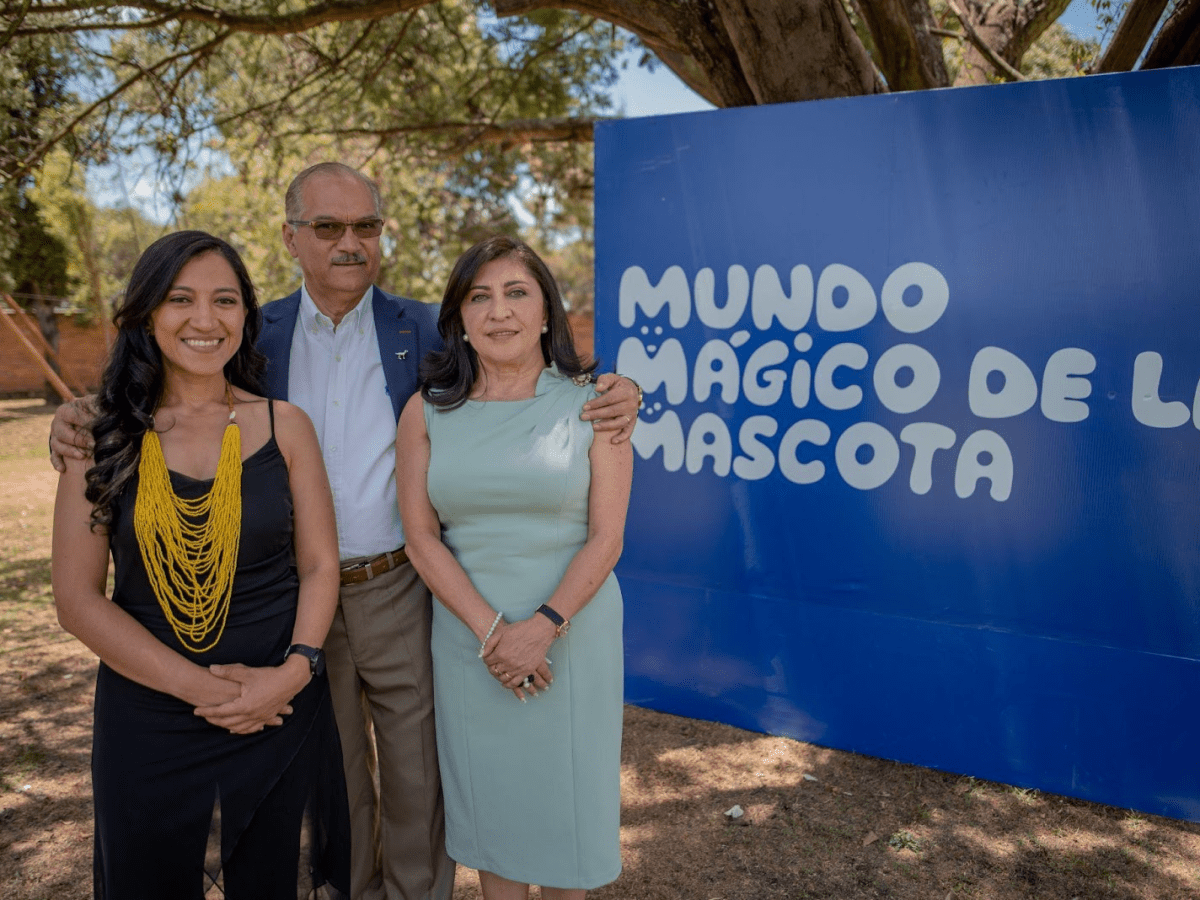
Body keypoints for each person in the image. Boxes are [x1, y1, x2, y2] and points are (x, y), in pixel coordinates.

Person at [51, 161, 642, 900]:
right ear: (293, 237)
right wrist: (78, 415)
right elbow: (166, 386)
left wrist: (621, 385)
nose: (349, 243)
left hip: (400, 580)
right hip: (293, 594)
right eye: (327, 227)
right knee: (331, 777)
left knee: (417, 770)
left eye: (365, 226)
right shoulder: (249, 328)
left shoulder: (428, 324)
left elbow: (515, 360)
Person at [51, 230, 350, 899]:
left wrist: (293, 673)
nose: (205, 319)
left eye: (225, 300)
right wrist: (212, 692)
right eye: (180, 299)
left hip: (280, 709)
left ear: (247, 315)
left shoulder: (285, 425)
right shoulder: (96, 433)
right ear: (147, 312)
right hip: (149, 719)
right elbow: (76, 599)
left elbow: (321, 563)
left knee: (273, 881)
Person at [396, 236, 632, 900]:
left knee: (567, 816)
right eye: (481, 296)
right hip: (469, 639)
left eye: (517, 293)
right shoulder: (426, 411)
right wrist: (494, 634)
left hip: (573, 633)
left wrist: (542, 627)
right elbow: (421, 538)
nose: (499, 312)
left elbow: (607, 538)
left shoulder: (599, 401)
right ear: (459, 320)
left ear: (547, 311)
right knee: (495, 818)